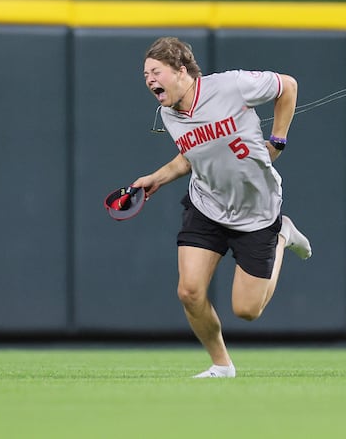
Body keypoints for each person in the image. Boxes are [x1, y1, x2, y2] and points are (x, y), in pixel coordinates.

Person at [133, 36, 312, 378]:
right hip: (207, 204)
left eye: (155, 72)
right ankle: (221, 364)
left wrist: (278, 139)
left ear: (181, 71)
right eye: (145, 75)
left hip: (257, 210)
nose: (149, 80)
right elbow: (193, 154)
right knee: (189, 291)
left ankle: (282, 236)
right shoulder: (168, 114)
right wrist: (156, 177)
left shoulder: (230, 85)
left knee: (247, 311)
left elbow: (287, 86)